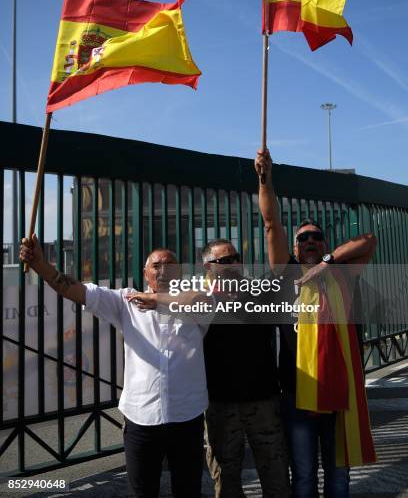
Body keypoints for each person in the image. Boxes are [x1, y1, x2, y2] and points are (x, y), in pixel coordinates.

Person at [20, 236, 207, 498]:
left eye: (170, 264)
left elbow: (202, 301)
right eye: (156, 265)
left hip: (187, 416)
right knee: (142, 491)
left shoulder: (194, 300)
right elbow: (74, 290)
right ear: (145, 272)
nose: (163, 270)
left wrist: (157, 299)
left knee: (188, 491)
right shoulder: (125, 302)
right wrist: (42, 267)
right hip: (142, 417)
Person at [255, 148, 377, 498]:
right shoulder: (287, 273)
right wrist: (265, 179)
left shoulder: (341, 274)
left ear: (324, 244)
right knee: (305, 476)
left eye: (316, 237)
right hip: (297, 392)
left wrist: (327, 261)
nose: (309, 241)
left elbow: (368, 241)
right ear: (294, 248)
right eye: (303, 238)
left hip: (339, 391)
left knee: (338, 476)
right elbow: (270, 223)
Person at [202, 238, 291, 498]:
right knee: (226, 485)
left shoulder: (261, 292)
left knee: (277, 480)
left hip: (263, 402)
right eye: (224, 260)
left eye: (236, 258)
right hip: (220, 406)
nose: (233, 264)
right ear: (208, 267)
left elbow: (283, 269)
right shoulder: (199, 301)